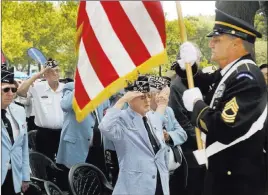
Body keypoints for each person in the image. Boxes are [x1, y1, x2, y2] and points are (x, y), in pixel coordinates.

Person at [175, 9, 267, 195]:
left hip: (237, 182)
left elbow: (225, 128)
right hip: (224, 175)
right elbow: (203, 81)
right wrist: (188, 66)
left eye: (217, 40)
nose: (210, 44)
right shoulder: (232, 72)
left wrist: (197, 104)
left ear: (236, 43)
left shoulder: (246, 76)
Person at [99, 76, 170, 195]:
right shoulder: (122, 118)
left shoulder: (151, 116)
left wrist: (163, 100)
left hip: (159, 181)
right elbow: (105, 127)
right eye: (142, 97)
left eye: (148, 96)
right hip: (136, 186)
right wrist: (122, 100)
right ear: (131, 100)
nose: (147, 100)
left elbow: (159, 118)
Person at [17, 58, 65, 160]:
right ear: (45, 74)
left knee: (63, 165)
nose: (56, 74)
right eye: (52, 72)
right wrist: (37, 75)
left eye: (57, 70)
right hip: (44, 134)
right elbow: (20, 91)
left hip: (63, 133)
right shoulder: (38, 88)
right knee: (44, 165)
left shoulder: (66, 89)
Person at [147, 75, 188, 195]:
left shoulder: (169, 111)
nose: (167, 99)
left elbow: (182, 134)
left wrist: (169, 136)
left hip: (174, 172)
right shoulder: (144, 113)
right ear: (154, 95)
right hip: (155, 175)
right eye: (165, 95)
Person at [1, 67, 30, 195]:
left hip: (14, 175)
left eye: (13, 89)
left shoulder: (20, 111)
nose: (11, 93)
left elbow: (23, 146)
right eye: (6, 89)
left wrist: (25, 176)